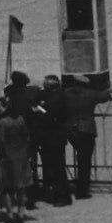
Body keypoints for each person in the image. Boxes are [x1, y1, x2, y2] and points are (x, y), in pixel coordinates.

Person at [63, 75, 111, 199]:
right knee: (85, 161)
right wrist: (106, 86)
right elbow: (105, 96)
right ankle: (82, 191)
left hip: (70, 130)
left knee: (78, 156)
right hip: (86, 129)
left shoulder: (66, 94)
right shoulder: (92, 94)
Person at [3, 70, 42, 207]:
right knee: (30, 166)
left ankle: (18, 196)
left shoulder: (10, 92)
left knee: (14, 168)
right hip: (28, 135)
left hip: (13, 137)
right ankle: (31, 198)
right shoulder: (29, 94)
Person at [37, 74, 72, 206]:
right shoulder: (58, 95)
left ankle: (63, 196)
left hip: (53, 137)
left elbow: (49, 115)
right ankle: (60, 195)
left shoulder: (56, 98)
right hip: (56, 137)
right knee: (56, 167)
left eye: (45, 84)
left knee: (57, 168)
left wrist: (39, 110)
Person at [0, 97, 30, 223]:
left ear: (5, 107)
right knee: (20, 186)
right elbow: (26, 136)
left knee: (6, 187)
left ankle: (10, 213)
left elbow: (1, 141)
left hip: (8, 155)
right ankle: (21, 211)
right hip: (20, 154)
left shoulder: (3, 122)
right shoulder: (20, 119)